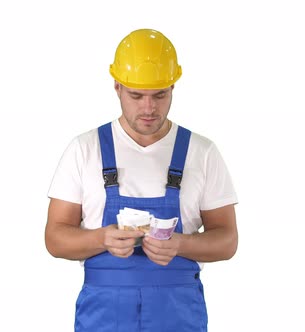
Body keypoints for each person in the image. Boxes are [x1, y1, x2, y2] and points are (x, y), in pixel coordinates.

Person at [45, 28, 238, 332]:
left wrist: (182, 244)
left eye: (160, 95)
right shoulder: (85, 149)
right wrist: (101, 238)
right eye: (136, 95)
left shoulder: (201, 152)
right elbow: (55, 239)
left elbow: (227, 240)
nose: (149, 108)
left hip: (177, 313)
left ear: (173, 86)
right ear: (117, 87)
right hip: (104, 316)